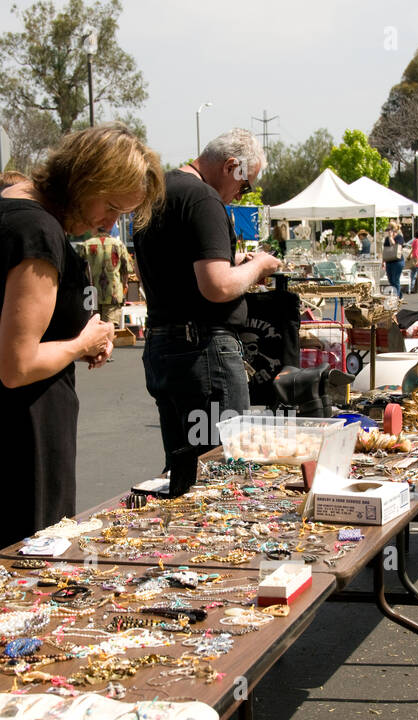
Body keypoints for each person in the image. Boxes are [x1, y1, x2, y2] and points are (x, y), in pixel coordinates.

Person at [0, 123, 163, 557]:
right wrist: (83, 342)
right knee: (29, 574)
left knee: (8, 572)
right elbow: (16, 365)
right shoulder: (35, 230)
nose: (110, 223)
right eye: (112, 207)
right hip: (20, 444)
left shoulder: (4, 204)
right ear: (85, 180)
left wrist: (80, 337)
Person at [135, 128, 281, 480]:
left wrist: (234, 264)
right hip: (203, 351)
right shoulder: (203, 199)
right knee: (224, 472)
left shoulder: (156, 192)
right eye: (245, 184)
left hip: (164, 346)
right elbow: (216, 286)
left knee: (183, 473)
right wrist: (258, 265)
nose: (240, 194)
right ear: (232, 166)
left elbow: (147, 271)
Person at [82, 228, 134, 324]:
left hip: (90, 293)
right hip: (113, 293)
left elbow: (78, 270)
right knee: (110, 327)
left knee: (92, 327)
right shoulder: (118, 244)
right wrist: (125, 284)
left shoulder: (86, 245)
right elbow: (126, 269)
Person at [382, 220, 407, 296]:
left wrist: (391, 237)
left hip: (397, 261)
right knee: (391, 280)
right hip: (389, 261)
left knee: (395, 280)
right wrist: (383, 261)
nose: (388, 231)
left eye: (389, 229)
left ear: (393, 230)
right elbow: (385, 250)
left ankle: (397, 297)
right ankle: (399, 295)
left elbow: (395, 246)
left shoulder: (399, 237)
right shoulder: (386, 239)